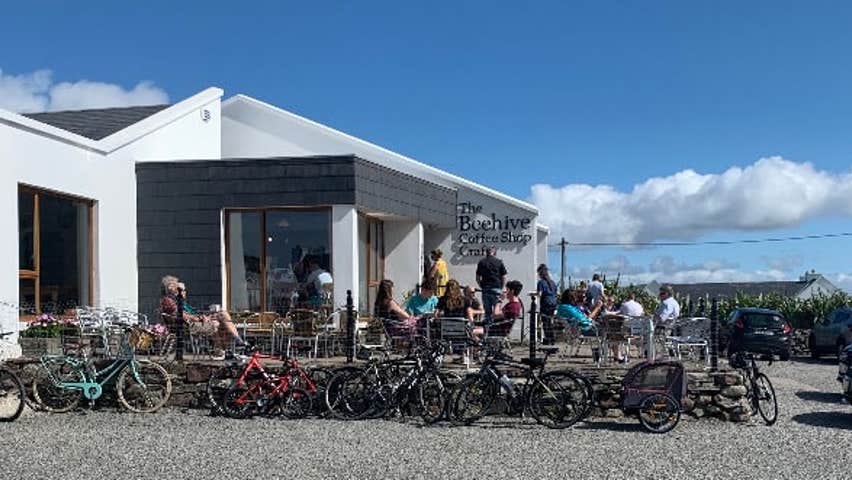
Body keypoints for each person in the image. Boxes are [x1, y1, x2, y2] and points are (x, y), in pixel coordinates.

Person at [159, 275, 243, 358]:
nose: (183, 291)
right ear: (171, 288)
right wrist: (201, 318)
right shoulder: (168, 301)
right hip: (188, 326)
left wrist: (203, 317)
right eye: (179, 288)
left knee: (223, 314)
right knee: (217, 324)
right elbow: (183, 316)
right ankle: (224, 349)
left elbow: (190, 313)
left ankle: (236, 341)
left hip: (194, 321)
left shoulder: (176, 300)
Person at [476, 246, 507, 327]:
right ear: (494, 252)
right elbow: (504, 277)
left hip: (485, 289)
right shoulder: (499, 262)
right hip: (496, 288)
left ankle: (487, 332)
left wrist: (482, 286)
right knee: (497, 312)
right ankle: (496, 331)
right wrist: (502, 288)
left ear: (487, 252)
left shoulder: (481, 262)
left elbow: (477, 277)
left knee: (487, 313)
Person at [536, 264, 559, 345]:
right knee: (550, 323)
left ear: (540, 273)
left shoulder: (541, 282)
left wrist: (535, 294)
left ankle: (548, 341)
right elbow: (556, 293)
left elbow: (540, 294)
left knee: (545, 324)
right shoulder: (552, 282)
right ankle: (552, 341)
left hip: (545, 304)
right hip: (553, 304)